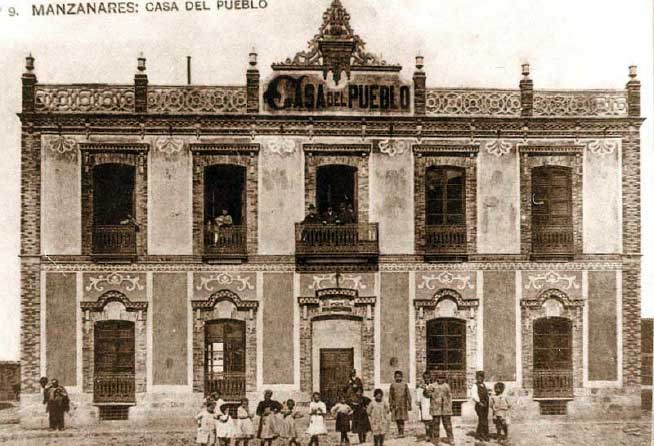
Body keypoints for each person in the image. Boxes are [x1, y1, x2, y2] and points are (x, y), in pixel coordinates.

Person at [425, 371, 454, 445]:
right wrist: (426, 390)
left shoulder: (447, 386)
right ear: (436, 378)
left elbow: (450, 397)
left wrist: (449, 407)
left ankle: (450, 439)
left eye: (442, 378)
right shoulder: (433, 386)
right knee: (436, 425)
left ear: (444, 378)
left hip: (446, 408)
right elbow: (427, 395)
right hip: (435, 408)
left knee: (448, 425)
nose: (441, 379)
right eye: (439, 378)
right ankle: (436, 440)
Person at [388, 370, 411, 437]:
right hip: (396, 404)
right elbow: (390, 396)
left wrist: (409, 404)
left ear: (402, 377)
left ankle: (402, 432)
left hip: (403, 404)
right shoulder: (392, 385)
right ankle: (399, 431)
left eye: (399, 376)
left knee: (402, 418)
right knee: (397, 418)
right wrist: (390, 404)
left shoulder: (405, 385)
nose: (398, 378)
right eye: (396, 377)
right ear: (394, 377)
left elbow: (408, 395)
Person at [471, 370, 490, 442]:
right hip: (479, 405)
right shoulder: (475, 386)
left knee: (485, 419)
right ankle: (482, 436)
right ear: (476, 378)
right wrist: (479, 402)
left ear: (483, 378)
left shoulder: (484, 385)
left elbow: (487, 393)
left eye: (481, 377)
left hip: (486, 404)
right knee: (482, 419)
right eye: (478, 377)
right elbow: (474, 396)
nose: (480, 379)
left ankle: (481, 434)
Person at [416, 371, 433, 440]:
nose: (427, 379)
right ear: (423, 378)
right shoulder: (420, 388)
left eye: (428, 378)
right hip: (424, 406)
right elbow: (418, 399)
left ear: (430, 378)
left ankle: (431, 433)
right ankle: (427, 434)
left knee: (431, 421)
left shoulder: (433, 386)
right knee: (426, 422)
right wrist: (420, 406)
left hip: (431, 405)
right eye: (425, 378)